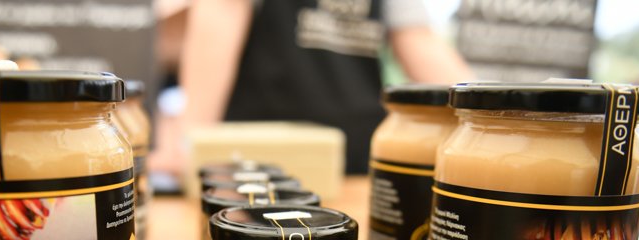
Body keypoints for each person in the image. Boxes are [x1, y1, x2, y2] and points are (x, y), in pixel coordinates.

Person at [149, 0, 474, 179]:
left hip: (356, 162)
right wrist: (189, 139)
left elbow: (418, 40)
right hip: (257, 165)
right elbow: (221, 15)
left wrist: (487, 116)